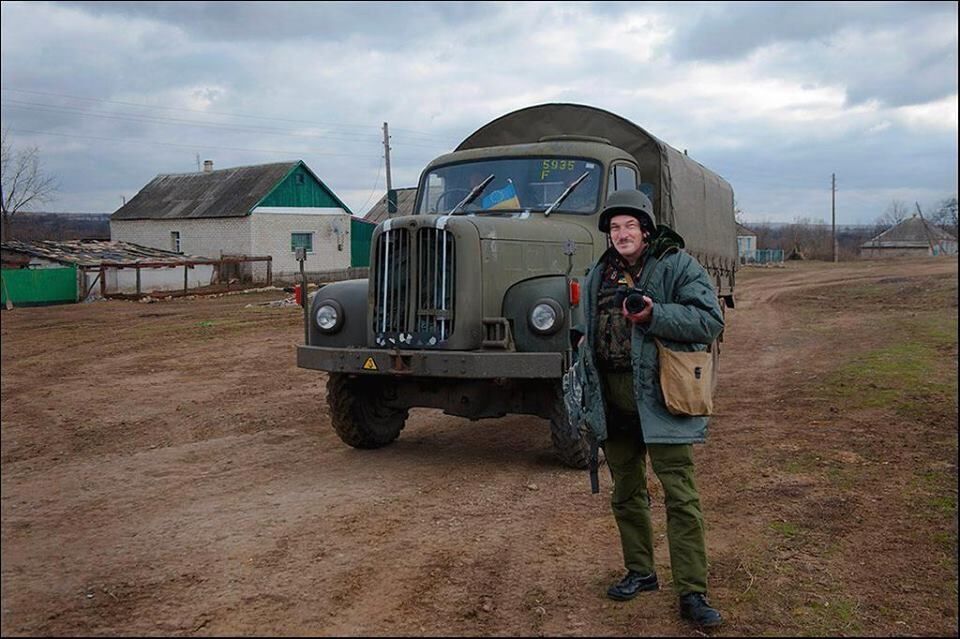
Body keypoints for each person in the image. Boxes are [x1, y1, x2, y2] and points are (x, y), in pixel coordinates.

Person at [576, 189, 725, 628]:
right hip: (613, 399)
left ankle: (693, 592)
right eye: (614, 228)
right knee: (626, 493)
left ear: (646, 229)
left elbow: (709, 320)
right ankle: (640, 571)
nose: (622, 234)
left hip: (663, 398)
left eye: (629, 226)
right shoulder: (597, 274)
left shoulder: (677, 265)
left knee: (680, 496)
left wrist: (655, 314)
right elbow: (589, 326)